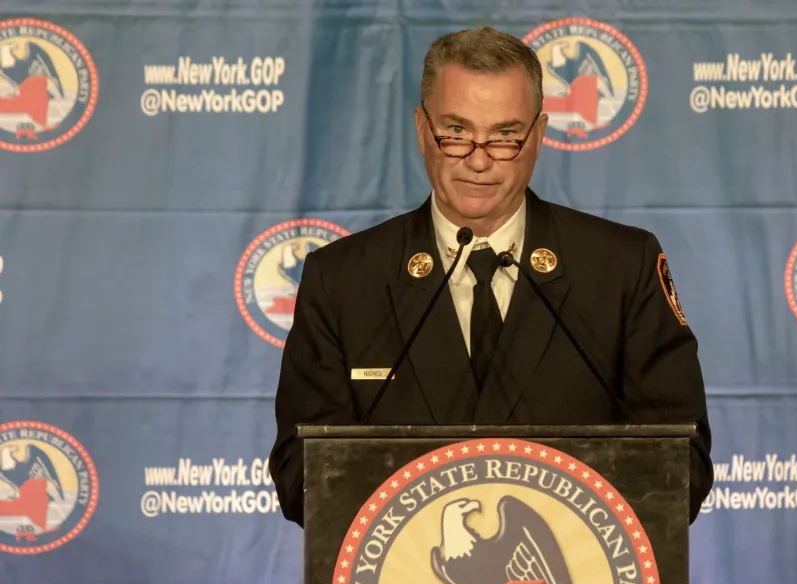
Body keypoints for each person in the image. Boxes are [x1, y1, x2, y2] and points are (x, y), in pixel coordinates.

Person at [270, 26, 712, 527]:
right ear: (421, 130)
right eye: (455, 132)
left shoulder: (619, 267)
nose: (478, 160)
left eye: (504, 136)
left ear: (539, 137)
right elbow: (299, 473)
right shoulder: (345, 281)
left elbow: (683, 463)